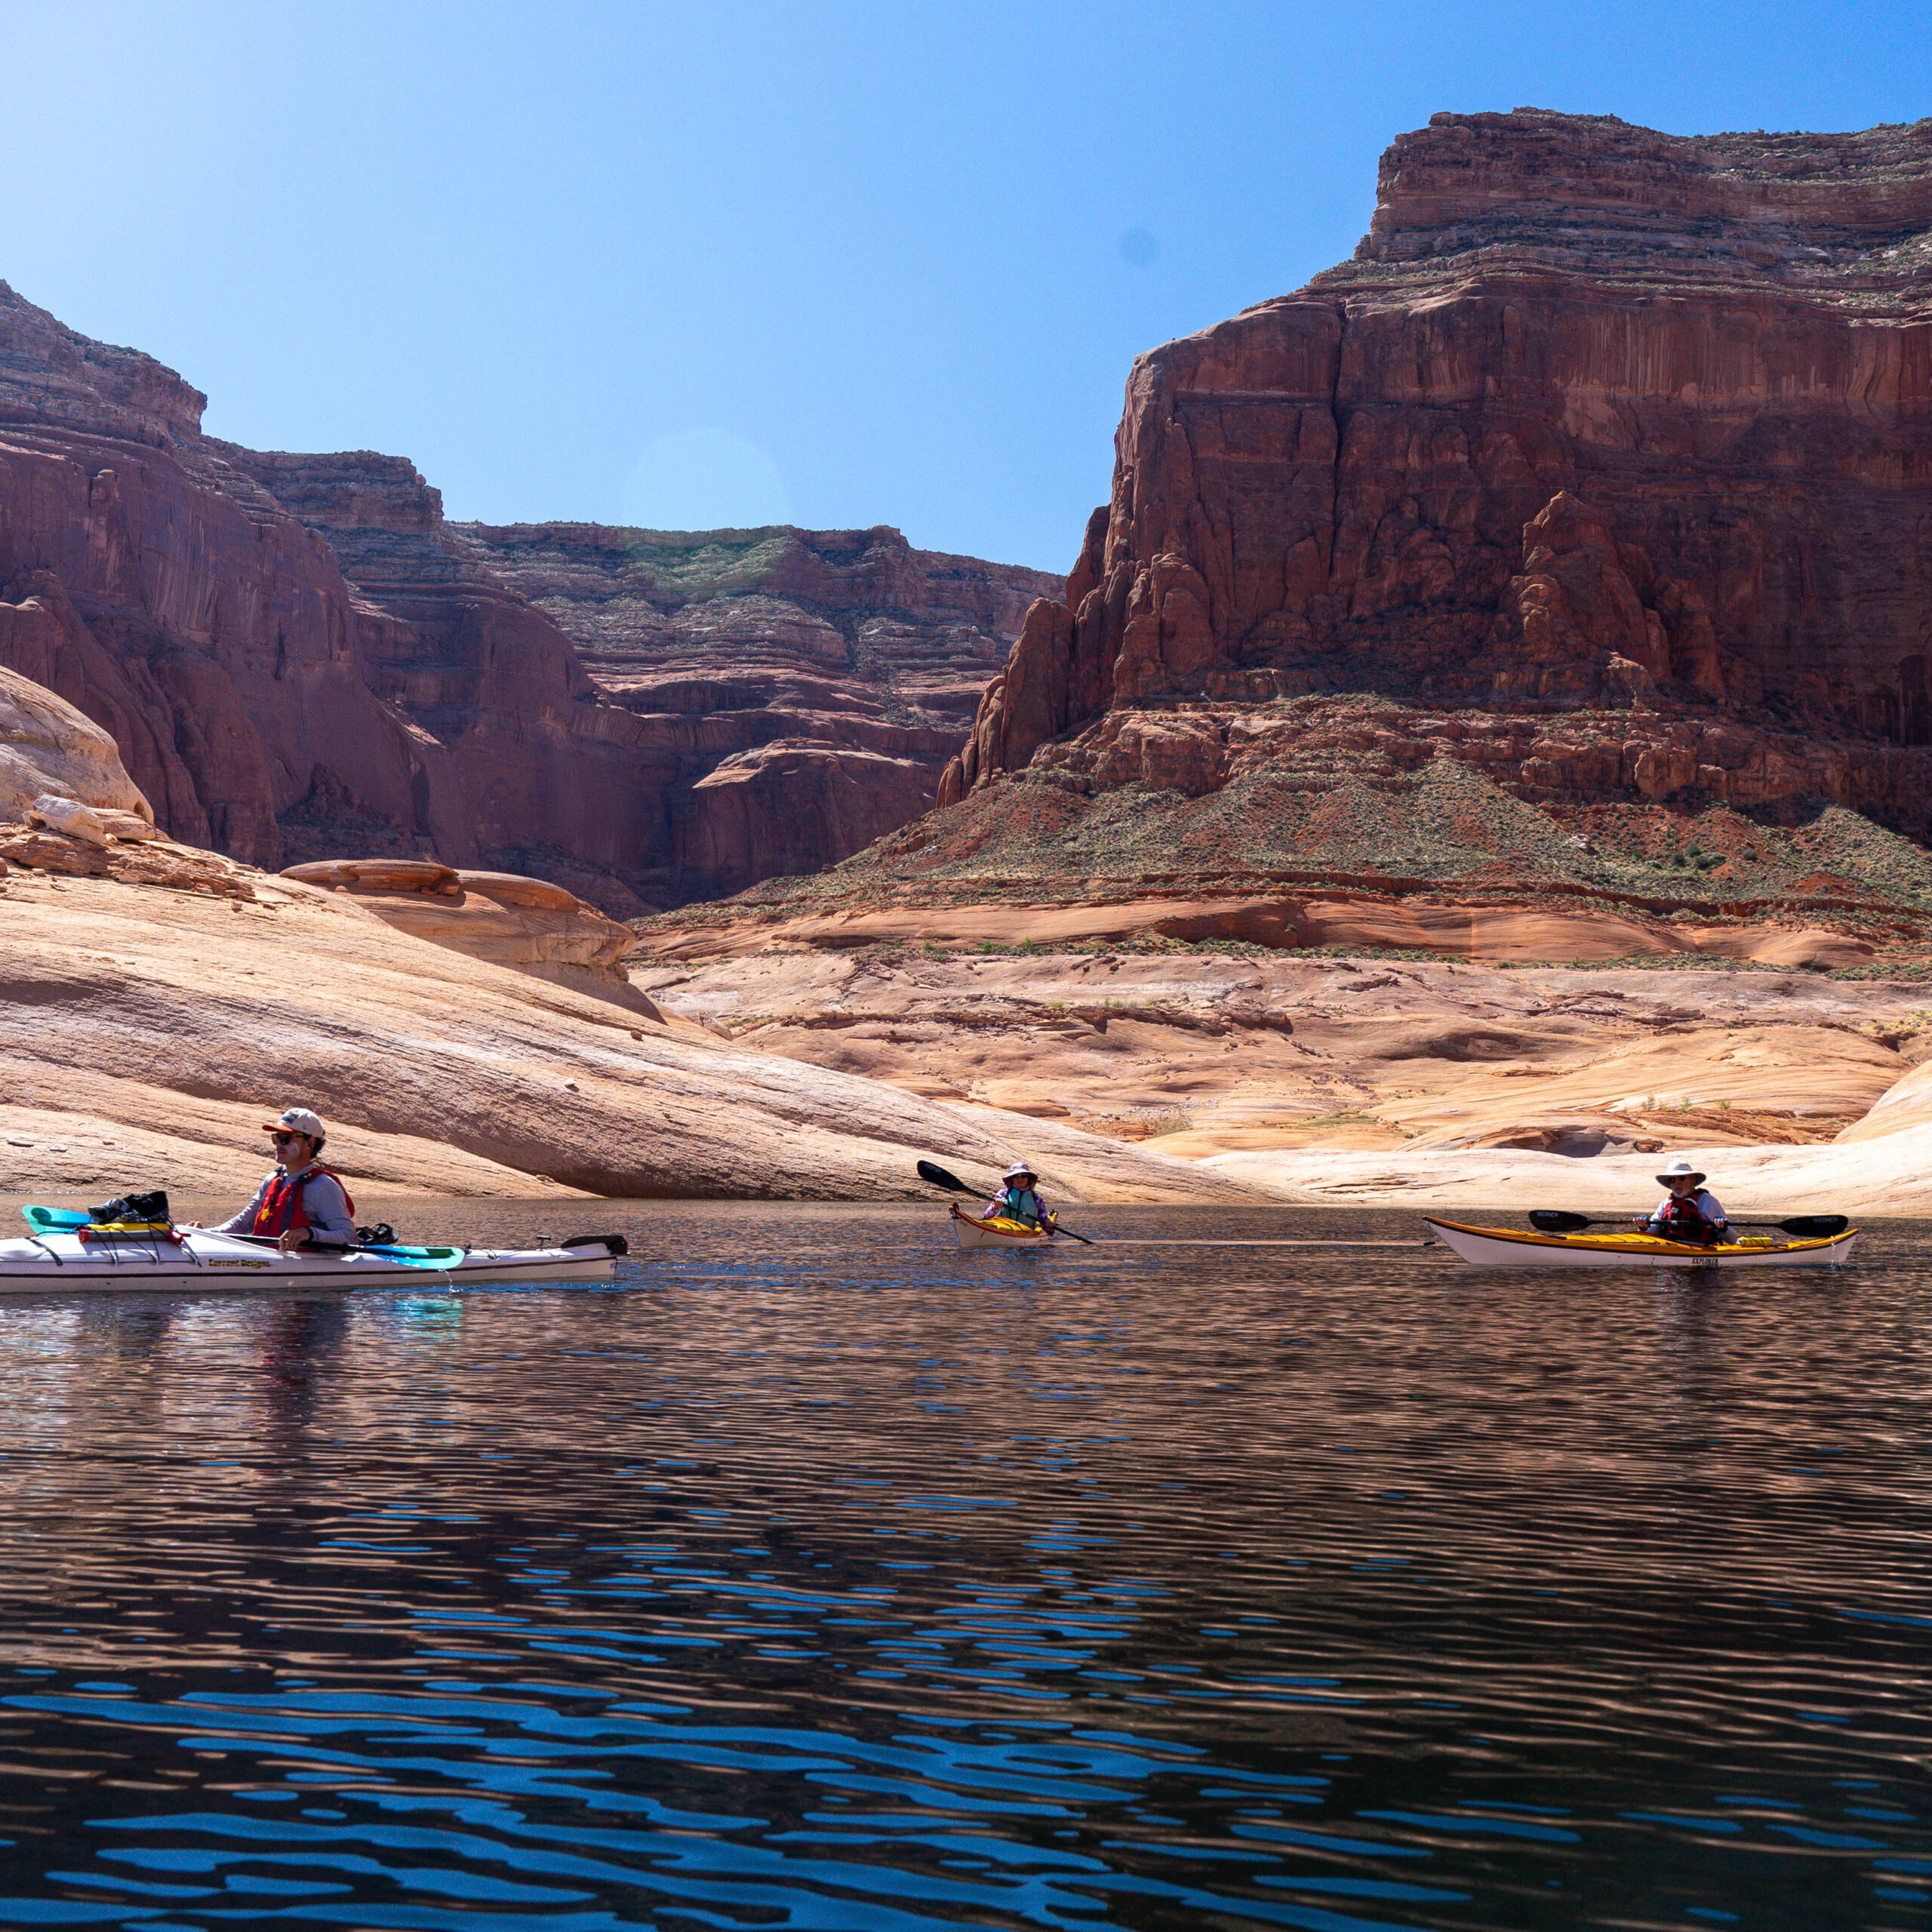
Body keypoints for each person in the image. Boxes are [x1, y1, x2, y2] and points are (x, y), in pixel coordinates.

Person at [211, 1108, 358, 1253]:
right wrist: (204, 1233)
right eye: (276, 1138)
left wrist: (309, 1234)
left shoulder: (323, 1186)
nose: (278, 1144)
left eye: (286, 1139)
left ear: (310, 1143)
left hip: (300, 1268)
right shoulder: (272, 1180)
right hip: (265, 1262)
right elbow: (242, 1225)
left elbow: (349, 1238)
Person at [1640, 1159, 1730, 1245]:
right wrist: (1643, 1226)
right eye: (1672, 1180)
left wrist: (1723, 1228)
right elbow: (1651, 1232)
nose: (1677, 1183)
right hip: (1670, 1248)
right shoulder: (1666, 1203)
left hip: (1700, 1250)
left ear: (1692, 1179)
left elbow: (1732, 1239)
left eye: (1682, 1178)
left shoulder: (1708, 1202)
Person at [983, 1161, 1051, 1229]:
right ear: (1012, 1179)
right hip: (1004, 1228)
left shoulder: (1037, 1199)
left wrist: (1049, 1225)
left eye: (1023, 1176)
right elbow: (986, 1217)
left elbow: (1044, 1220)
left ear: (1028, 1179)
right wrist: (995, 1208)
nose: (1020, 1179)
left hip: (1027, 1232)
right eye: (1016, 1176)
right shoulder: (1003, 1193)